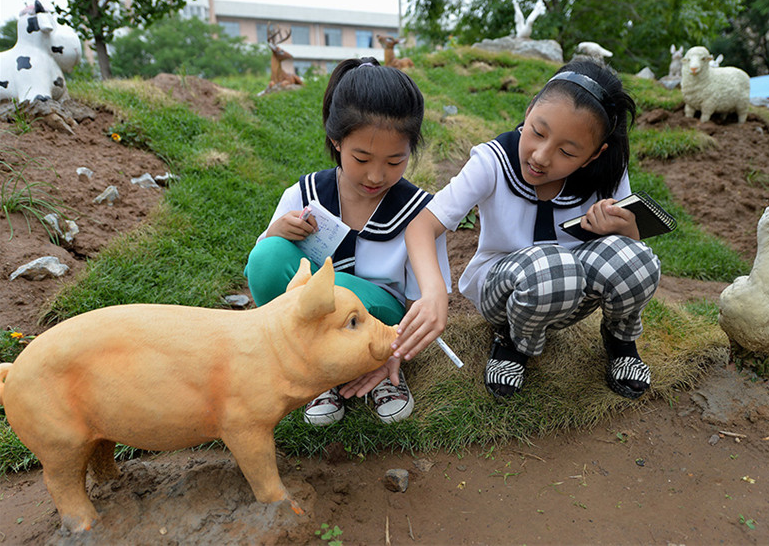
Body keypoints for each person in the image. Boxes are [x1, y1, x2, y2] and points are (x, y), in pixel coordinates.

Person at [390, 59, 661, 401]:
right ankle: (511, 342)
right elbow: (422, 225)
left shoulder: (608, 172)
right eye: (537, 131)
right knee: (553, 266)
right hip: (505, 292)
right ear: (530, 109)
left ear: (594, 154)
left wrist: (626, 229)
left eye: (567, 151)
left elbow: (629, 256)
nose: (542, 156)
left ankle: (620, 339)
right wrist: (433, 293)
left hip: (570, 293)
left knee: (637, 260)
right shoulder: (492, 161)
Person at [245, 57, 451, 425]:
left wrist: (396, 350)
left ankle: (381, 370)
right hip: (314, 313)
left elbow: (421, 301)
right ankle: (315, 367)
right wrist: (277, 232)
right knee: (268, 256)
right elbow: (262, 265)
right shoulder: (306, 194)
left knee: (332, 287)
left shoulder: (419, 212)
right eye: (362, 157)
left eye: (394, 161)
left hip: (382, 320)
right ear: (335, 140)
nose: (376, 174)